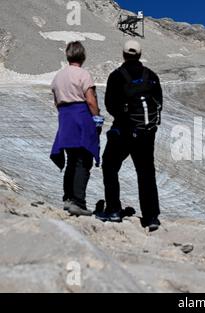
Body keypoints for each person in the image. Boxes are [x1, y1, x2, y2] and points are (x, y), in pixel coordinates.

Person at [97, 40, 162, 232]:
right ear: (140, 55)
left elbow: (110, 104)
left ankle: (114, 210)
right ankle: (151, 217)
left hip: (124, 131)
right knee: (146, 172)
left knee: (109, 165)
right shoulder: (151, 75)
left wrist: (123, 118)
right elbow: (158, 102)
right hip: (146, 132)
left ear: (124, 54)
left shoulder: (116, 76)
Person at [50, 41, 104, 217]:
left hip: (65, 119)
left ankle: (68, 199)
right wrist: (97, 119)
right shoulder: (84, 75)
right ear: (83, 56)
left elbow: (56, 102)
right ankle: (79, 203)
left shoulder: (58, 77)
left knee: (71, 160)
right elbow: (91, 100)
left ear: (68, 55)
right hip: (81, 118)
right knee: (83, 161)